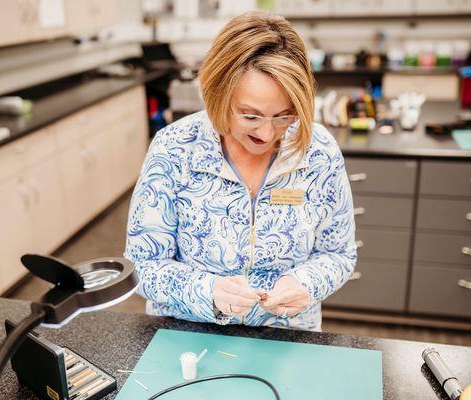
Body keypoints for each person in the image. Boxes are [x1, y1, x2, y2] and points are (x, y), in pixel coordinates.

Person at [125, 11, 356, 332]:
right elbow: (142, 267)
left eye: (284, 116)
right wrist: (207, 292)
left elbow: (339, 254)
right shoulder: (174, 149)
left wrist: (306, 282)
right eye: (250, 116)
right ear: (218, 96)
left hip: (285, 335)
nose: (267, 133)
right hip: (187, 335)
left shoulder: (319, 152)